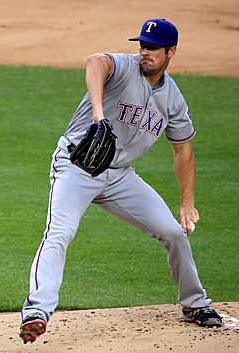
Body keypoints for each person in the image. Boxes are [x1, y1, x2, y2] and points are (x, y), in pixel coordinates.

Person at [19, 18, 222, 344]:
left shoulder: (172, 100)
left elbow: (183, 149)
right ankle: (37, 312)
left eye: (153, 48)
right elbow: (95, 62)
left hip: (119, 177)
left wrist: (187, 203)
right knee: (59, 232)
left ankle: (195, 304)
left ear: (171, 52)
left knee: (173, 232)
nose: (145, 52)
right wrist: (99, 114)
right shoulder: (125, 67)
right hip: (76, 167)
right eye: (142, 45)